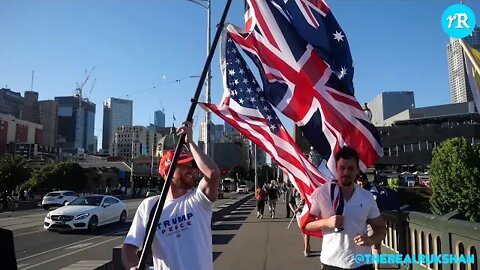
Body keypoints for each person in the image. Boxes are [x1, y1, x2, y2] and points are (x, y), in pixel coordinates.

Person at [121, 121, 220, 270]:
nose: (191, 170)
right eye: (184, 166)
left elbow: (212, 174)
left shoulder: (198, 200)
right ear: (167, 173)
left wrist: (190, 142)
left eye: (192, 166)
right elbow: (129, 247)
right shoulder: (149, 207)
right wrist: (132, 267)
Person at [305, 146, 386, 270]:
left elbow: (380, 228)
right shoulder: (322, 193)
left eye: (350, 168)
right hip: (332, 262)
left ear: (357, 171)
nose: (346, 172)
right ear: (336, 169)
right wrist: (327, 222)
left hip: (361, 263)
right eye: (342, 168)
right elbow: (306, 225)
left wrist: (371, 240)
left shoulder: (366, 197)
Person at [289, 187, 311, 257]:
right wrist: (293, 210)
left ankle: (306, 249)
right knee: (303, 230)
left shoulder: (305, 188)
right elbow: (290, 202)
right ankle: (307, 245)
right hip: (298, 213)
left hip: (306, 212)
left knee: (306, 230)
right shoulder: (293, 190)